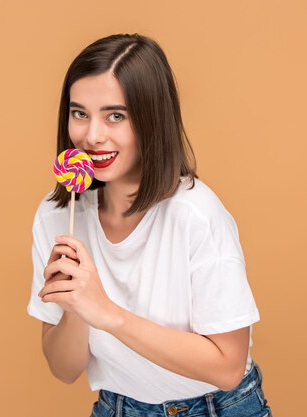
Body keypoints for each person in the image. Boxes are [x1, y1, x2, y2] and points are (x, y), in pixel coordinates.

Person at [27, 33, 273, 417]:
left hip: (215, 407)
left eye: (116, 116)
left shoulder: (196, 215)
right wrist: (77, 307)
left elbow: (227, 367)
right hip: (117, 407)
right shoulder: (57, 216)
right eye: (80, 113)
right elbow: (64, 369)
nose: (92, 136)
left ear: (151, 119)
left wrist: (107, 313)